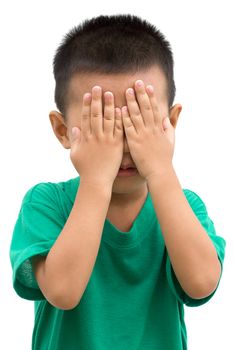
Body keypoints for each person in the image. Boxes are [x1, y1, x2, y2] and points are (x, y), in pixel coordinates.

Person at [10, 14, 226, 350]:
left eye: (140, 123)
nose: (123, 146)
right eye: (102, 126)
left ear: (170, 123)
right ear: (63, 131)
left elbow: (201, 283)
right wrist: (97, 179)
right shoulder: (46, 203)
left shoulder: (185, 206)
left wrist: (160, 170)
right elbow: (63, 291)